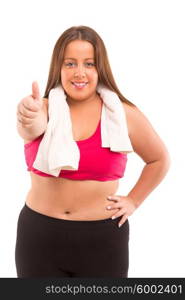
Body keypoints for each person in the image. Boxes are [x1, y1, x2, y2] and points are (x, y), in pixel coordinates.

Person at [15, 25, 171, 278]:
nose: (80, 73)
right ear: (58, 68)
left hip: (103, 240)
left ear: (101, 68)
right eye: (70, 64)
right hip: (39, 236)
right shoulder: (42, 108)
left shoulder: (123, 114)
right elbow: (30, 127)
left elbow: (159, 159)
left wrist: (133, 200)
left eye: (89, 63)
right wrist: (27, 114)